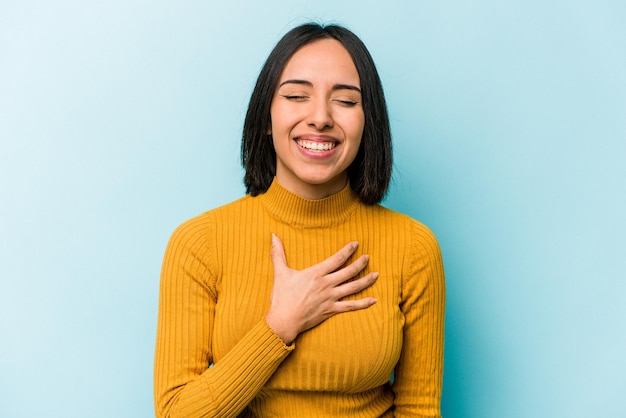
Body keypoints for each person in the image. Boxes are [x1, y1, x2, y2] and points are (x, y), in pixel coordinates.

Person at [154, 22, 445, 418]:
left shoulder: (413, 247)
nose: (321, 117)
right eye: (296, 96)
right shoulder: (200, 243)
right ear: (265, 119)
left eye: (345, 101)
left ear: (368, 123)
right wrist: (280, 325)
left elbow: (419, 411)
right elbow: (175, 413)